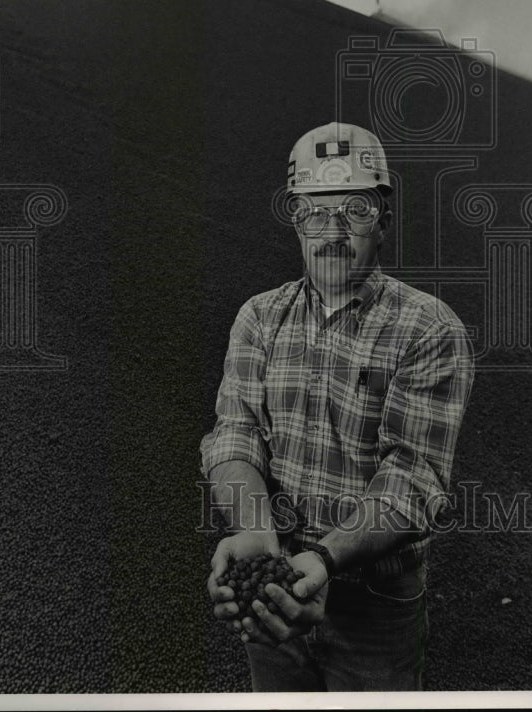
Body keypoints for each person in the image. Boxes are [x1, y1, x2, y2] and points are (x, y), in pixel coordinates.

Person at [200, 122, 474, 692]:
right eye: (313, 212)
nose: (332, 231)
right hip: (277, 580)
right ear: (296, 221)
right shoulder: (259, 318)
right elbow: (236, 434)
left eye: (355, 210)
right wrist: (256, 533)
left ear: (384, 225)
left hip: (375, 601)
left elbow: (413, 478)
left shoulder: (428, 329)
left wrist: (324, 559)